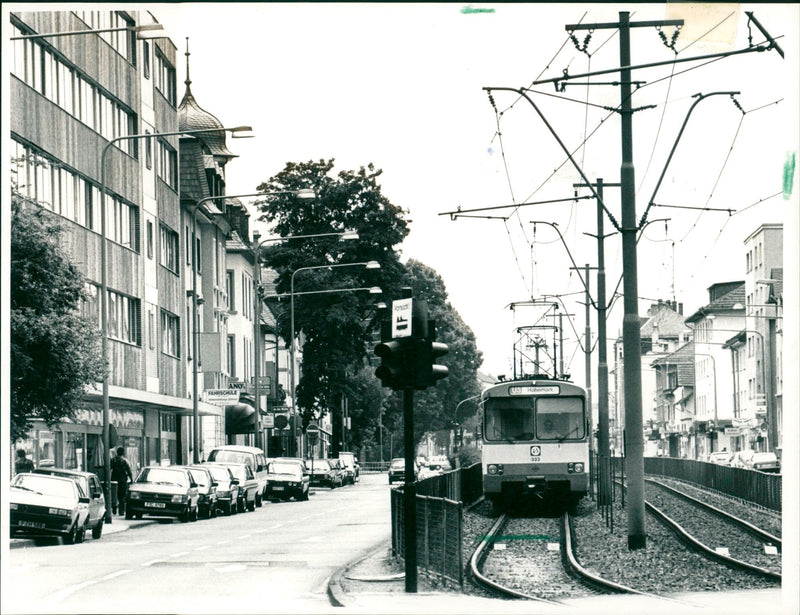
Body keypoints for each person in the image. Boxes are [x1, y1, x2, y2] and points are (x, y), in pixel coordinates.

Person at [110, 446, 133, 515]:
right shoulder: (124, 461)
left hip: (114, 480)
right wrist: (131, 479)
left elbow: (109, 468)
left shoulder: (113, 460)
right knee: (122, 496)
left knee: (114, 495)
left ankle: (114, 507)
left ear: (117, 452)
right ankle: (121, 511)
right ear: (123, 453)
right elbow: (128, 471)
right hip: (122, 480)